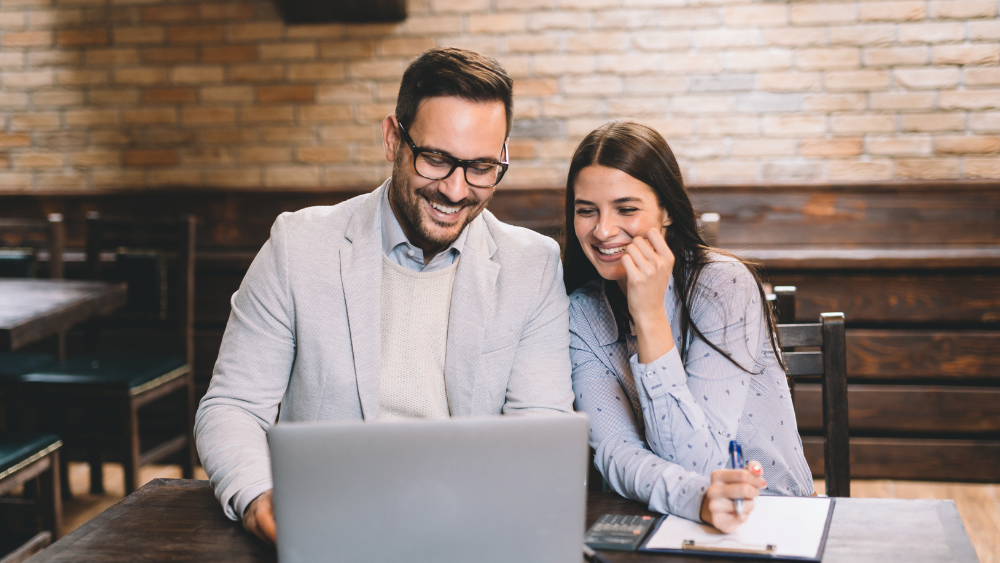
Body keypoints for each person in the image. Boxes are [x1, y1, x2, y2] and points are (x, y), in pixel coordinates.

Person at [195, 47, 575, 545]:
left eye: (481, 167)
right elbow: (233, 405)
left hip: (470, 531)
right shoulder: (298, 246)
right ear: (393, 139)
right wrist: (258, 495)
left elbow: (540, 427)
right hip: (329, 526)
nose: (457, 191)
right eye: (436, 159)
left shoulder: (533, 264)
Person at [564, 120, 813, 534]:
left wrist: (648, 317)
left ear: (665, 212)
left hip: (772, 518)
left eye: (626, 208)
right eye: (586, 210)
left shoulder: (722, 285)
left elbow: (704, 460)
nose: (603, 230)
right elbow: (616, 452)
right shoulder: (581, 312)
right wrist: (694, 499)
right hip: (658, 521)